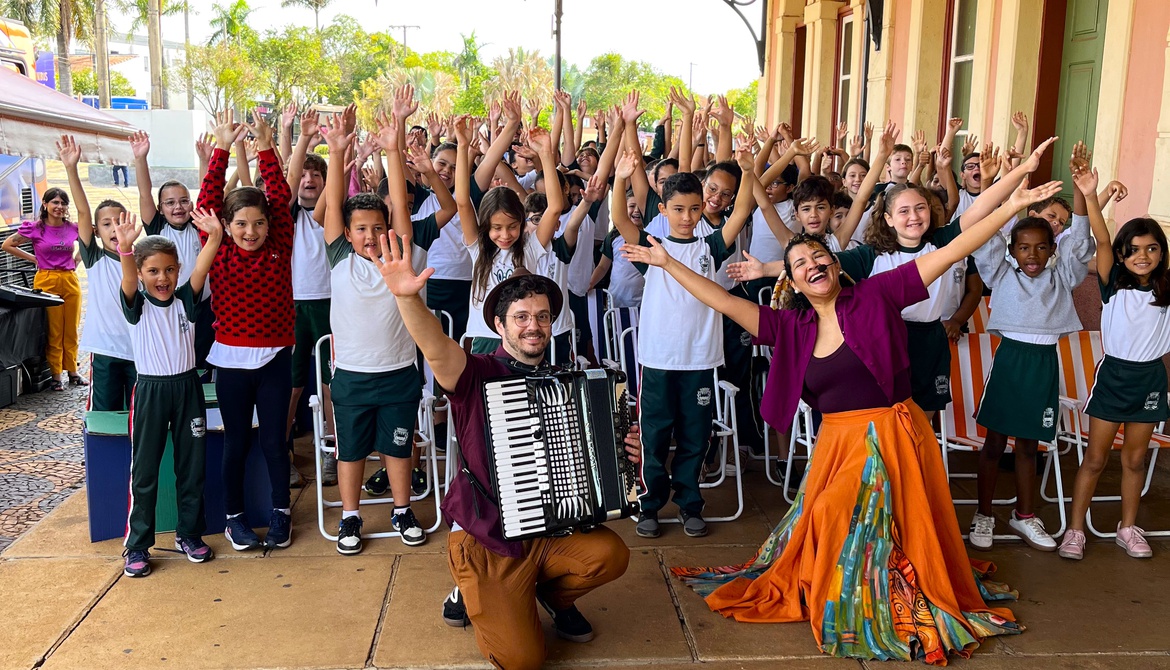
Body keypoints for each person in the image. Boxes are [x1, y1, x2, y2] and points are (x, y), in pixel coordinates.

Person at [625, 166, 1063, 664]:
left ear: (836, 264)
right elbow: (722, 299)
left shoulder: (878, 294)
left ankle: (880, 594)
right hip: (839, 443)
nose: (813, 263)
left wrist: (1011, 206)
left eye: (820, 256)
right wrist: (665, 263)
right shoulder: (789, 327)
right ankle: (848, 585)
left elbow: (954, 250)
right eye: (801, 263)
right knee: (830, 516)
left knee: (875, 525)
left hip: (895, 432)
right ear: (791, 280)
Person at [369, 238, 638, 670]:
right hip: (487, 536)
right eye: (521, 318)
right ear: (499, 325)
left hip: (551, 528)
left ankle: (548, 595)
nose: (533, 326)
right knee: (524, 661)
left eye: (542, 317)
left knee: (611, 556)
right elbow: (435, 347)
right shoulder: (475, 372)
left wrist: (625, 454)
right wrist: (407, 298)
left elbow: (599, 462)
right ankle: (471, 590)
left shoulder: (568, 379)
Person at [611, 99, 756, 539]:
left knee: (696, 434)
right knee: (654, 434)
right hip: (657, 359)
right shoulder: (651, 247)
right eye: (679, 209)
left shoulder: (710, 247)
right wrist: (619, 180)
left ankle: (690, 501)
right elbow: (619, 218)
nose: (689, 216)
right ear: (663, 208)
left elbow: (743, 210)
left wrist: (748, 170)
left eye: (695, 209)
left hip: (700, 359)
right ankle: (651, 504)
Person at [320, 108, 437, 554]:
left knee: (399, 446)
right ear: (347, 234)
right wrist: (336, 151)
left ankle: (402, 508)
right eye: (361, 229)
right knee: (349, 452)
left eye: (377, 227)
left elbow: (402, 209)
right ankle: (350, 516)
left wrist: (393, 148)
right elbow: (334, 203)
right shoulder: (339, 259)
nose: (370, 235)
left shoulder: (401, 254)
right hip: (351, 375)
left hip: (398, 374)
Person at [967, 147, 1095, 552]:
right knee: (994, 442)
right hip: (1010, 361)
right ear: (1013, 250)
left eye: (1041, 247)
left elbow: (1079, 243)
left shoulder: (1064, 274)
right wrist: (989, 185)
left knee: (1029, 445)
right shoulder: (1001, 272)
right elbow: (984, 235)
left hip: (1043, 364)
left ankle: (1024, 515)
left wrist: (1082, 192)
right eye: (1023, 247)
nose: (1033, 255)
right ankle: (984, 513)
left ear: (1052, 248)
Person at [1060, 143, 1170, 561]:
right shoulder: (1113, 284)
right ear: (1123, 256)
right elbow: (1102, 239)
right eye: (1134, 249)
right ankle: (1074, 531)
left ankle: (1128, 527)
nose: (1143, 256)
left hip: (1150, 379)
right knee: (1095, 459)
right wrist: (1090, 194)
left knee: (1136, 459)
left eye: (1152, 249)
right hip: (1114, 377)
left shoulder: (1167, 287)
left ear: (1162, 253)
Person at [196, 109, 296, 551]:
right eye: (241, 224)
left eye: (258, 223)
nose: (251, 231)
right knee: (236, 443)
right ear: (225, 225)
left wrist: (266, 144)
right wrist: (220, 148)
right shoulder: (215, 248)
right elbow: (206, 202)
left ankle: (281, 513)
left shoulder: (281, 241)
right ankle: (234, 517)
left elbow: (278, 191)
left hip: (275, 358)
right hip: (231, 360)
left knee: (275, 443)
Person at [115, 206, 220, 578]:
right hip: (151, 392)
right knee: (144, 471)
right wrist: (127, 250)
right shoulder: (136, 305)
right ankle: (137, 545)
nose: (162, 277)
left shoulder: (186, 301)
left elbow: (202, 266)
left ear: (178, 270)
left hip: (188, 387)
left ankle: (188, 534)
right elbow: (127, 279)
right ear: (142, 274)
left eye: (169, 269)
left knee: (192, 468)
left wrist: (216, 235)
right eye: (153, 271)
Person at [457, 116, 562, 354]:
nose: (505, 235)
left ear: (523, 222)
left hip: (522, 336)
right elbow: (462, 202)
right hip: (484, 338)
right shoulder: (478, 247)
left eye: (512, 226)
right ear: (485, 226)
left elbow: (555, 207)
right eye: (496, 228)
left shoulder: (531, 247)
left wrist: (546, 154)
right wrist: (463, 148)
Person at [58, 134, 136, 410]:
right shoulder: (95, 258)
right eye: (106, 224)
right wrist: (71, 168)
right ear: (95, 230)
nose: (114, 228)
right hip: (105, 351)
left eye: (119, 221)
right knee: (104, 414)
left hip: (138, 350)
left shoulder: (142, 260)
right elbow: (81, 212)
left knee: (138, 415)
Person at [283, 106, 338, 488]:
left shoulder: (330, 213)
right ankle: (282, 449)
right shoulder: (283, 214)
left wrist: (338, 155)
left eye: (316, 175)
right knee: (292, 383)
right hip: (290, 306)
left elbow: (331, 196)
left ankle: (333, 450)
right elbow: (285, 182)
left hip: (331, 305)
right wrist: (296, 136)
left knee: (331, 383)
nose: (308, 179)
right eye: (303, 174)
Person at [130, 130, 214, 368]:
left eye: (184, 200)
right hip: (167, 304)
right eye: (170, 202)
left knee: (203, 363)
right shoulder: (157, 226)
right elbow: (144, 193)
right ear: (160, 207)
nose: (178, 207)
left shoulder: (199, 225)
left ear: (192, 203)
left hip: (204, 305)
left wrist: (204, 161)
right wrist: (140, 159)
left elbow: (208, 193)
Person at [2, 188, 82, 391]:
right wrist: (34, 259)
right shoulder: (36, 228)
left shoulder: (73, 227)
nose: (60, 207)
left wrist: (77, 260)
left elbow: (89, 242)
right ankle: (56, 375)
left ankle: (72, 371)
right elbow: (7, 245)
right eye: (55, 202)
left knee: (71, 328)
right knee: (54, 330)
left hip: (69, 278)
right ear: (45, 204)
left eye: (63, 203)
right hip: (46, 279)